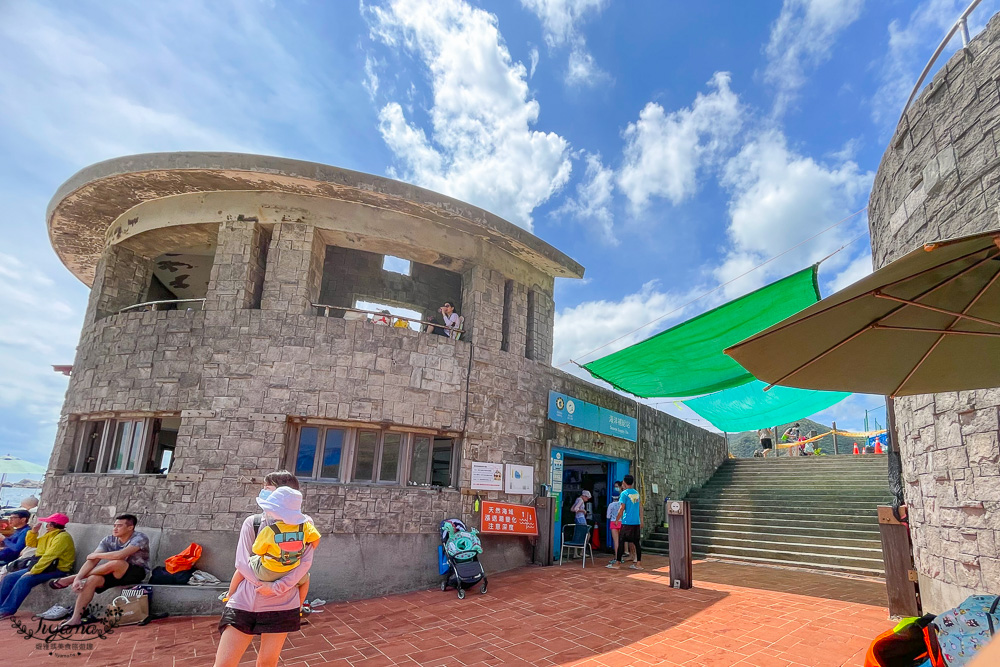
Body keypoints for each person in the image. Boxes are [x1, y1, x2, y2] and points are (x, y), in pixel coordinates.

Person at [214, 471, 316, 667]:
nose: (264, 493)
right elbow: (242, 562)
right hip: (244, 603)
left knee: (267, 663)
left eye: (269, 489)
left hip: (282, 604)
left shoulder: (305, 525)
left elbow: (305, 563)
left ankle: (300, 609)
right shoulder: (253, 522)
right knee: (224, 664)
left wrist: (276, 587)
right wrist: (262, 584)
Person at [222, 486, 320, 608]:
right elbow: (316, 539)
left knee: (245, 566)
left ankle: (230, 594)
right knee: (305, 580)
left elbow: (257, 550)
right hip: (292, 569)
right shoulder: (305, 527)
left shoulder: (269, 530)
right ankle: (299, 607)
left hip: (267, 572)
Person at [50, 513, 150, 628]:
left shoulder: (140, 538)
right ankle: (75, 618)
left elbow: (120, 555)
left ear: (130, 527)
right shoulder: (108, 540)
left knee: (117, 562)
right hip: (114, 573)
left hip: (136, 573)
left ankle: (71, 578)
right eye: (114, 525)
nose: (115, 528)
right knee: (93, 579)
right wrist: (79, 578)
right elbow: (92, 560)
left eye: (119, 526)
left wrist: (98, 556)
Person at [0, 512, 75, 619]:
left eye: (48, 523)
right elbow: (32, 544)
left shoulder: (62, 537)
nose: (46, 525)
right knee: (9, 577)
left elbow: (49, 557)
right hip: (43, 566)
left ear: (53, 524)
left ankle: (6, 610)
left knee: (25, 580)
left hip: (56, 569)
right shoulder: (50, 534)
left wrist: (33, 571)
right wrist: (33, 532)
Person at [607, 474, 642, 570]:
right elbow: (638, 507)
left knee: (621, 541)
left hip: (627, 521)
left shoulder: (624, 494)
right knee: (636, 542)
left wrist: (617, 519)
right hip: (636, 521)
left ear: (624, 482)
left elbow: (622, 508)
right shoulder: (636, 493)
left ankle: (617, 563)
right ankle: (638, 564)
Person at [606, 493, 622, 564]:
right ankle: (621, 557)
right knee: (621, 541)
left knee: (616, 541)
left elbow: (608, 516)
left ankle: (616, 558)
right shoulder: (621, 504)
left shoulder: (611, 505)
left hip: (613, 522)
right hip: (621, 522)